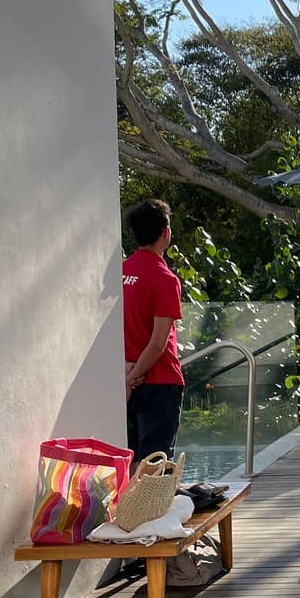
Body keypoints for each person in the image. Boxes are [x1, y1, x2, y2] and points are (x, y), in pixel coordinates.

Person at [121, 198, 184, 465]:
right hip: (159, 382)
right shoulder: (165, 279)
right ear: (165, 232)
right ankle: (155, 509)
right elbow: (158, 343)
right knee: (156, 465)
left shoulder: (119, 273)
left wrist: (125, 378)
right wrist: (133, 377)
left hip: (126, 379)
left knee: (130, 463)